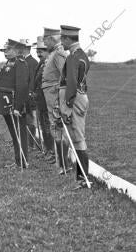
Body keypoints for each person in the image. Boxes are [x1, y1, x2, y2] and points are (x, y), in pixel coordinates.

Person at [0, 39, 29, 169]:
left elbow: (22, 86)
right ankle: (18, 161)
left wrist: (18, 107)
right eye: (4, 50)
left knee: (19, 133)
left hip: (14, 104)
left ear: (17, 51)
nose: (5, 52)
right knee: (14, 133)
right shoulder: (10, 62)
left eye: (8, 50)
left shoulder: (20, 63)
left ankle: (22, 162)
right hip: (6, 103)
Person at [59, 25, 91, 188]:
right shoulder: (83, 55)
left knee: (78, 139)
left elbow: (71, 83)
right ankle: (82, 176)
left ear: (67, 39)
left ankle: (83, 178)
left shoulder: (72, 57)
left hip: (74, 99)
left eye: (62, 38)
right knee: (78, 137)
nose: (60, 42)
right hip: (82, 96)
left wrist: (67, 106)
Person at [42, 27, 69, 173]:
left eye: (45, 40)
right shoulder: (54, 53)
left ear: (51, 39)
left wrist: (60, 99)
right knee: (55, 126)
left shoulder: (58, 53)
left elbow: (64, 76)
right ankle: (61, 164)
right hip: (51, 94)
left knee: (58, 126)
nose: (44, 44)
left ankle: (63, 164)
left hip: (55, 94)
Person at [32, 36, 55, 161]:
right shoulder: (41, 63)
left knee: (48, 127)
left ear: (48, 51)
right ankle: (47, 150)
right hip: (40, 101)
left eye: (41, 50)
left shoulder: (50, 63)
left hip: (47, 101)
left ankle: (52, 152)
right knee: (43, 126)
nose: (38, 53)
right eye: (37, 50)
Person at [19, 39, 39, 150]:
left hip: (29, 96)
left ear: (25, 49)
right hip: (23, 95)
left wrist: (30, 94)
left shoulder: (32, 62)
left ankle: (30, 144)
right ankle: (25, 142)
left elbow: (32, 81)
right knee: (24, 119)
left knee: (30, 119)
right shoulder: (23, 61)